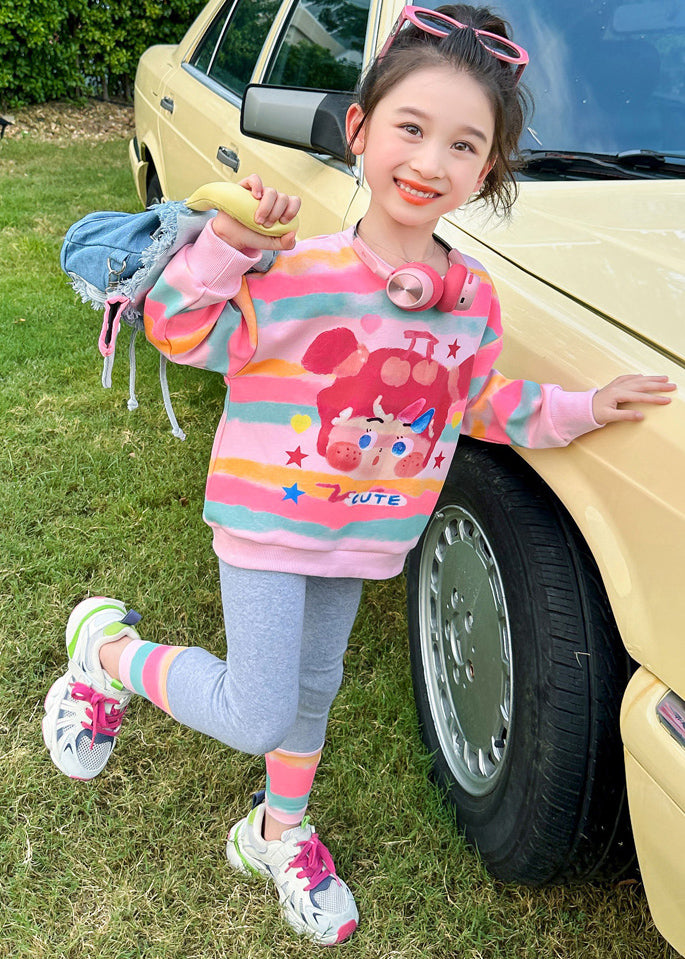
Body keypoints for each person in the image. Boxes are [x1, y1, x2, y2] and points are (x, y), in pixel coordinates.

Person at [42, 3, 675, 947]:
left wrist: (586, 406)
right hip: (266, 525)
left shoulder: (472, 304)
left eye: (464, 144)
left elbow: (477, 407)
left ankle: (276, 831)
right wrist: (231, 244)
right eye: (410, 129)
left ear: (487, 169)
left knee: (312, 690)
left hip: (365, 539)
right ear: (359, 131)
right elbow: (181, 330)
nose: (429, 162)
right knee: (261, 708)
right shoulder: (300, 268)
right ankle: (104, 656)